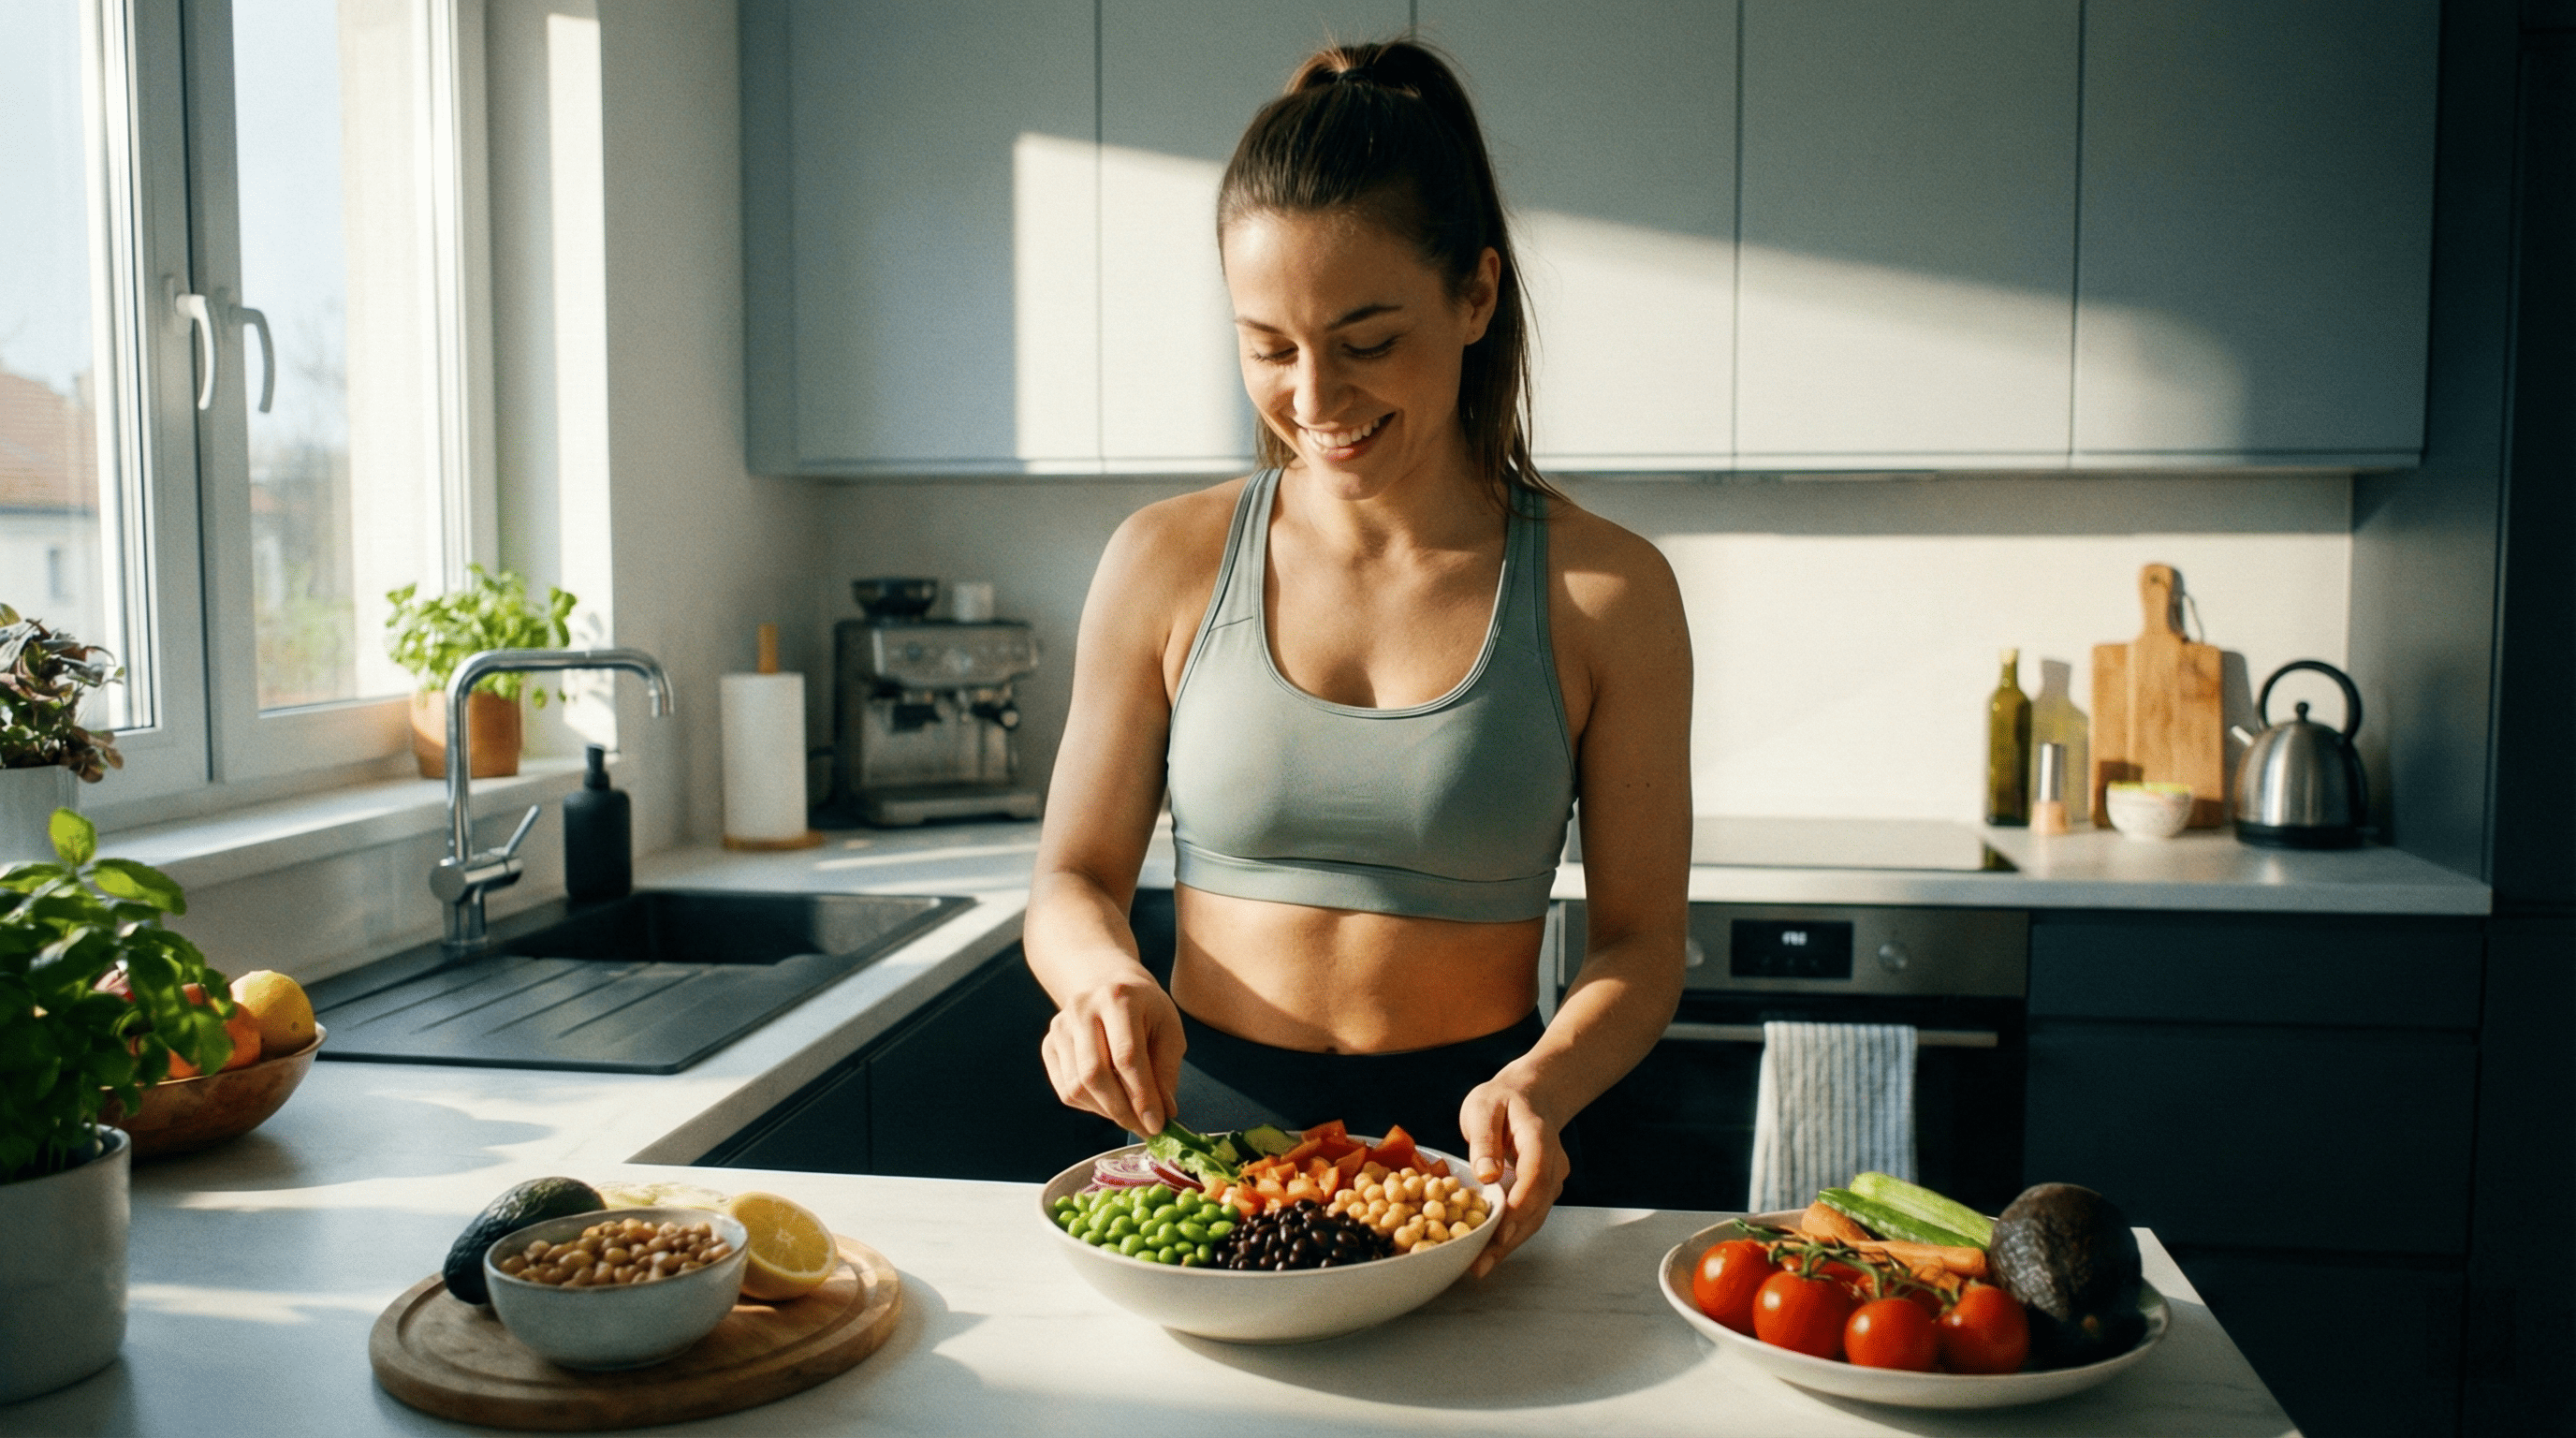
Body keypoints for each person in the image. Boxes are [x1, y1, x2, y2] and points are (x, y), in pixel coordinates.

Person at [1025, 37, 1690, 1277]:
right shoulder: (1162, 562)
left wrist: (1543, 1084)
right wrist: (1100, 984)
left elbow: (1642, 946)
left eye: (1368, 339)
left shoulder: (1609, 593)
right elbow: (1072, 877)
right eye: (1270, 346)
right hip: (1191, 1159)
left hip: (1471, 1156)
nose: (1315, 395)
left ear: (1476, 296)